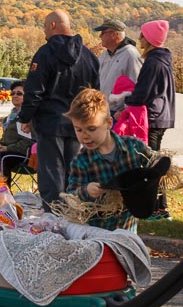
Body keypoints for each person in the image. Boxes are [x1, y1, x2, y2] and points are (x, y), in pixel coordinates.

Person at [17, 9, 99, 208]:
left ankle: (53, 215)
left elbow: (34, 89)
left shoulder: (45, 53)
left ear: (53, 25)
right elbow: (95, 93)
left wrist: (25, 117)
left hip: (50, 122)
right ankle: (75, 212)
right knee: (75, 172)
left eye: (45, 26)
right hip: (79, 124)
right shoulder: (89, 57)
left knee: (51, 173)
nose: (44, 32)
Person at [64, 88, 152, 232]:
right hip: (98, 233)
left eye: (91, 129)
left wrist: (158, 166)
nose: (85, 136)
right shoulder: (81, 161)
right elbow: (71, 195)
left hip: (127, 230)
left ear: (109, 123)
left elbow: (153, 160)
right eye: (79, 130)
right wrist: (86, 191)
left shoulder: (133, 146)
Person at [123, 19, 175, 219]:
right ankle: (158, 206)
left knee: (152, 164)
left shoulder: (153, 62)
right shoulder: (162, 60)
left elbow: (143, 92)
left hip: (151, 118)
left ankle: (159, 207)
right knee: (155, 163)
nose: (139, 39)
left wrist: (126, 103)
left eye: (143, 35)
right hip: (161, 116)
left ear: (151, 39)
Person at [94, 19, 142, 114]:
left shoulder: (131, 54)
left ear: (114, 34)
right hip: (101, 109)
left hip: (118, 113)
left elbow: (137, 86)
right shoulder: (105, 54)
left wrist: (126, 110)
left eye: (103, 33)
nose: (100, 36)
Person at [0, 80, 34, 185]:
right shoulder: (9, 118)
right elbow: (5, 139)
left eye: (19, 93)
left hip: (26, 155)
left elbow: (27, 143)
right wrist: (0, 144)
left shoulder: (29, 118)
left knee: (2, 157)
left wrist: (7, 148)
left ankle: (5, 194)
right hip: (8, 151)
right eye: (13, 93)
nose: (15, 96)